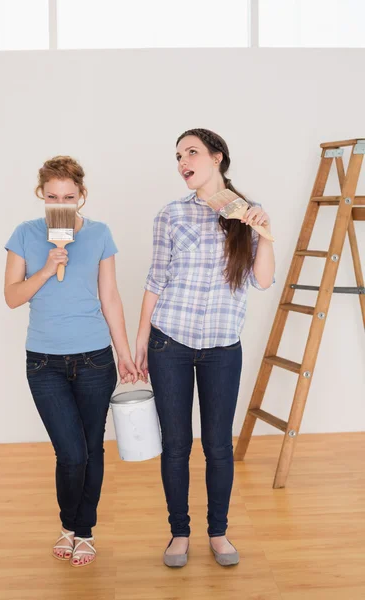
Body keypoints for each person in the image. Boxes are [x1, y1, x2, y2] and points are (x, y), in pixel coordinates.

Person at [135, 129, 275, 567]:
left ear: (217, 158)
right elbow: (156, 281)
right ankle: (179, 533)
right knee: (176, 444)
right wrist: (140, 344)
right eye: (178, 155)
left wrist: (264, 233)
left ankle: (218, 532)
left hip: (221, 346)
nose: (182, 162)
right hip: (169, 342)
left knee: (217, 445)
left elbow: (262, 281)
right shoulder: (171, 214)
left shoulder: (247, 214)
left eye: (191, 152)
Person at [4, 156, 137, 567]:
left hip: (95, 359)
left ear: (81, 195)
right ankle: (68, 524)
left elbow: (110, 297)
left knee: (92, 449)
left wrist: (125, 353)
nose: (60, 200)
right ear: (41, 196)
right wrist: (46, 269)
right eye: (51, 196)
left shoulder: (99, 235)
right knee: (71, 453)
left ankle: (84, 532)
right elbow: (11, 297)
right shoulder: (24, 235)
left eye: (68, 195)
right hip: (44, 363)